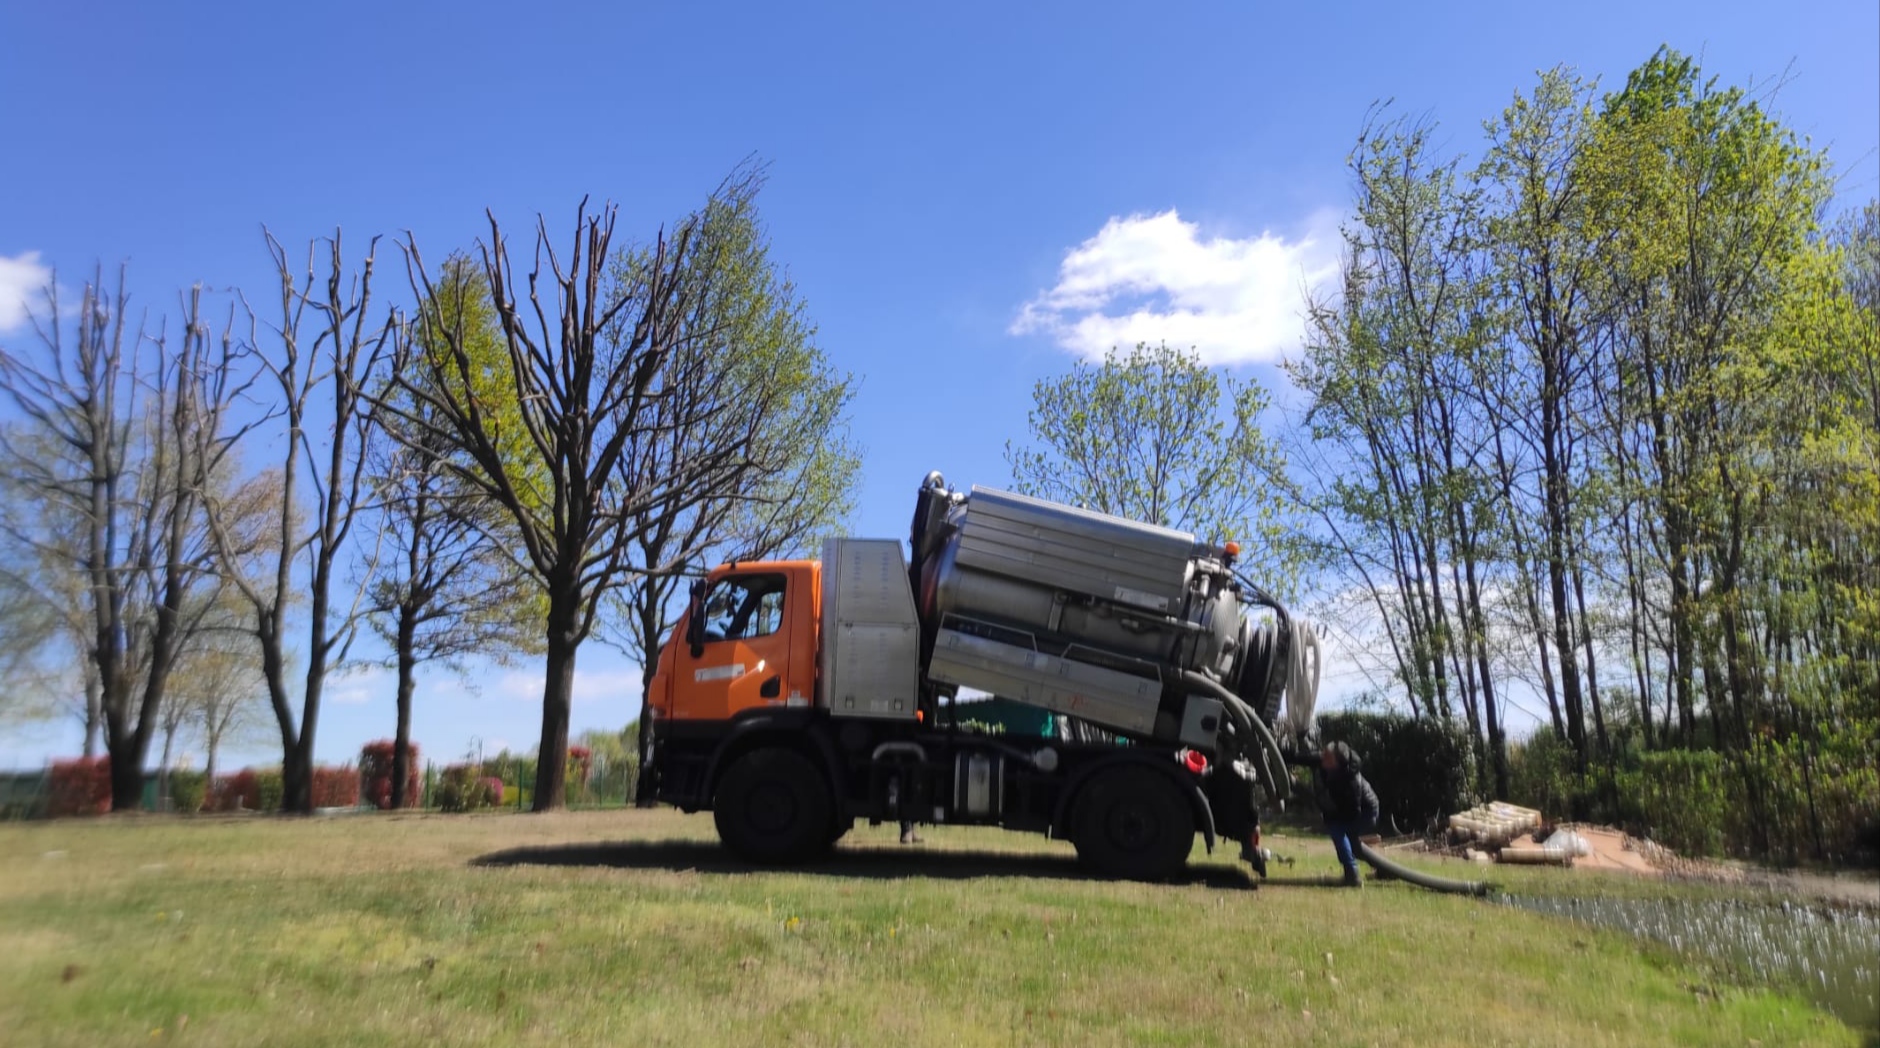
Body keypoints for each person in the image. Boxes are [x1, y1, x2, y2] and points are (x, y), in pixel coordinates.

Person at [1288, 741, 1380, 887]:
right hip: (1348, 810)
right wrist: (1283, 753)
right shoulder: (1325, 760)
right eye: (1324, 754)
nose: (1321, 758)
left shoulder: (1350, 783)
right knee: (1353, 846)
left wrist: (1329, 817)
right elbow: (1300, 758)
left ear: (1338, 763)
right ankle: (1382, 870)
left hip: (1366, 813)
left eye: (1327, 758)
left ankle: (1352, 876)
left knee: (1337, 830)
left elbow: (1351, 813)